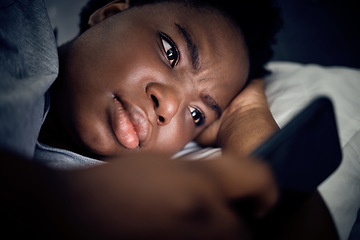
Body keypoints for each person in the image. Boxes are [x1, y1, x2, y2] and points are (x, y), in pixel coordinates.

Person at [0, 0, 338, 239]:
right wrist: (65, 203)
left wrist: (246, 115)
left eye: (196, 114)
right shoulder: (15, 27)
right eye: (171, 52)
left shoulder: (143, 201)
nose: (170, 106)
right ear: (109, 13)